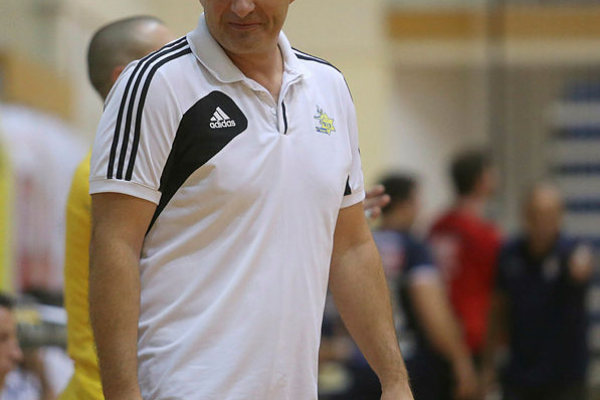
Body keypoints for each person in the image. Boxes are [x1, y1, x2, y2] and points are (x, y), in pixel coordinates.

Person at [88, 2, 413, 400]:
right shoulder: (153, 83)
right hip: (182, 386)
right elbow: (115, 244)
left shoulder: (329, 86)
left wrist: (394, 380)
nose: (242, 7)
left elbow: (351, 247)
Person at [59, 17, 175, 400]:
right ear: (127, 77)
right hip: (104, 389)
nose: (184, 71)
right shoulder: (106, 175)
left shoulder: (145, 162)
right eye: (166, 59)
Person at [483, 183, 593, 400]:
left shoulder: (573, 249)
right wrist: (488, 365)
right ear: (525, 215)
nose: (541, 221)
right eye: (535, 214)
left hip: (565, 376)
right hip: (520, 373)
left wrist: (581, 267)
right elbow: (498, 310)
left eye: (548, 214)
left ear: (560, 216)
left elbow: (583, 264)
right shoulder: (509, 253)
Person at [371, 174, 477, 400]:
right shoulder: (413, 247)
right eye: (417, 201)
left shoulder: (364, 246)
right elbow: (432, 311)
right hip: (409, 365)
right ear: (404, 204)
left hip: (362, 361)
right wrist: (460, 361)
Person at [429, 149, 502, 362]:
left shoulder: (437, 226)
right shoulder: (485, 234)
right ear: (481, 180)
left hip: (438, 330)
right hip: (474, 331)